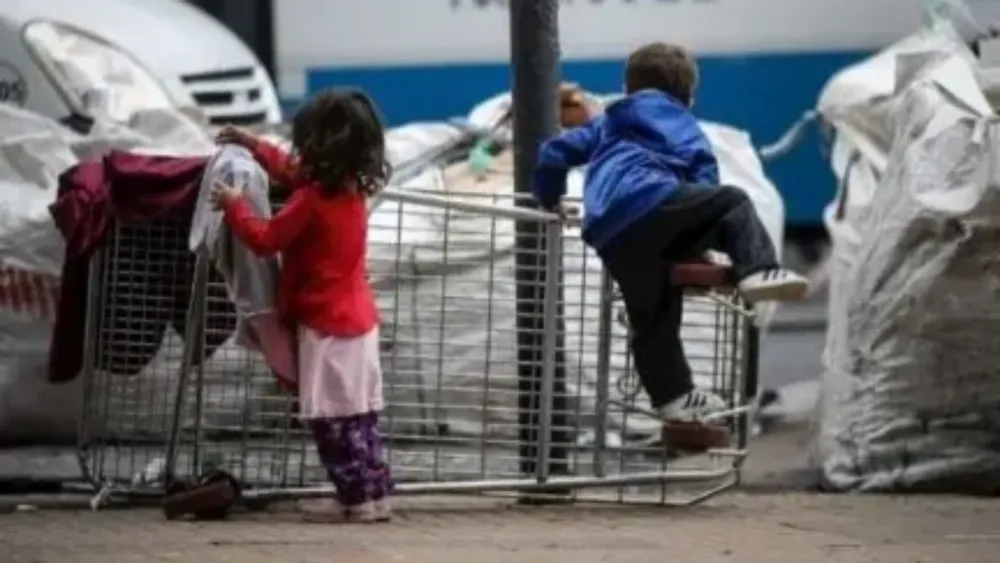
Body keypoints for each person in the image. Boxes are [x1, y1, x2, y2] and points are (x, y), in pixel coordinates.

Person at [532, 42, 808, 423]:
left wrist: (550, 199)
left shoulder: (607, 121)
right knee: (732, 202)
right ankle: (758, 270)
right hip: (652, 202)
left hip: (612, 233)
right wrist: (706, 246)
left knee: (653, 319)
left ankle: (674, 397)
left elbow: (552, 154)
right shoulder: (677, 119)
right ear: (687, 97)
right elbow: (703, 178)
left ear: (629, 88)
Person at [210, 88, 393, 523]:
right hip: (358, 321)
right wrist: (254, 143)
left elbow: (265, 239)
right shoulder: (349, 188)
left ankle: (354, 499)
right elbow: (292, 170)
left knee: (330, 420)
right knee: (361, 417)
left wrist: (235, 207)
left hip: (326, 325)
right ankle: (375, 493)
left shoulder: (310, 201)